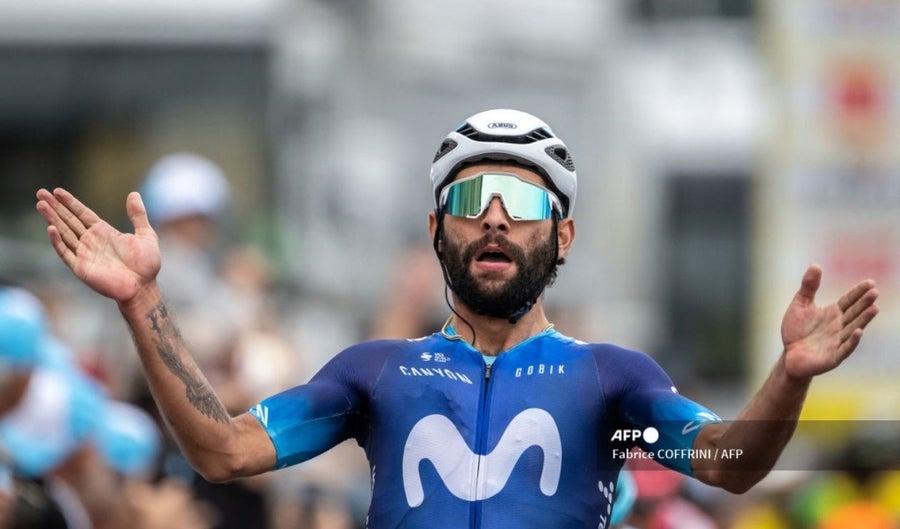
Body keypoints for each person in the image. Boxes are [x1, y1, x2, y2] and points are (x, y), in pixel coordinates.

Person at [34, 109, 880, 529]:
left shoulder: (612, 379)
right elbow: (224, 451)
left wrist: (789, 376)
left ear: (563, 235)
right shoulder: (374, 371)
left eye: (525, 201)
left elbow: (729, 463)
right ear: (438, 230)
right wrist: (142, 300)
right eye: (471, 198)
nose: (496, 217)